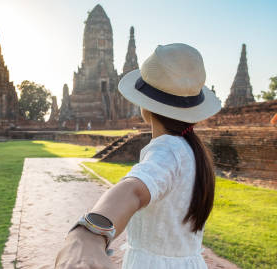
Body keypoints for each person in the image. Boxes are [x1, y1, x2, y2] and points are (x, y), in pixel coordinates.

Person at [55, 43, 221, 269]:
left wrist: (86, 235)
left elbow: (133, 189)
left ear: (145, 105)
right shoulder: (192, 149)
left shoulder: (167, 151)